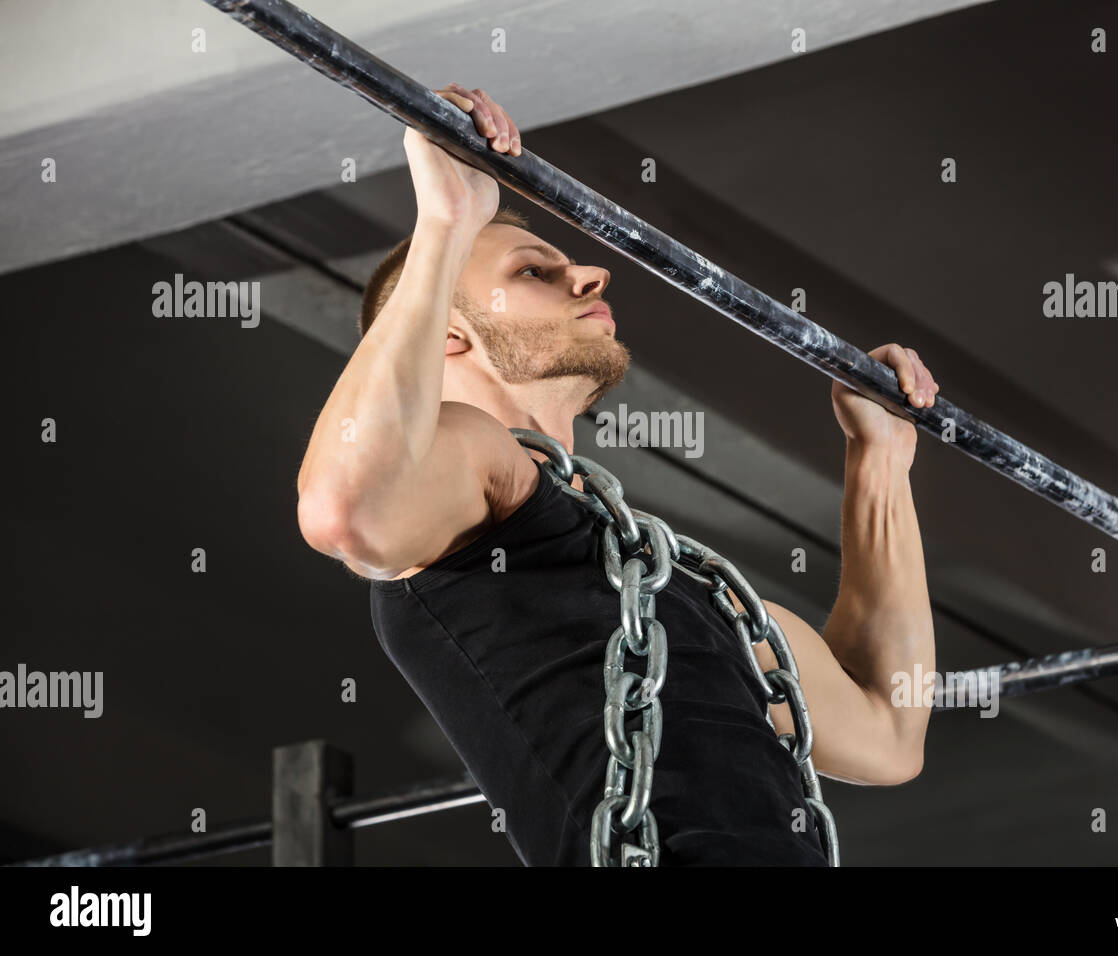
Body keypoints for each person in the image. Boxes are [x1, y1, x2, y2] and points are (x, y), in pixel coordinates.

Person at [296, 83, 938, 865]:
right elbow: (344, 509)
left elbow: (888, 728)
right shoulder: (484, 469)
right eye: (537, 270)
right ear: (451, 338)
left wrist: (880, 462)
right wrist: (445, 223)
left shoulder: (681, 581)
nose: (594, 275)